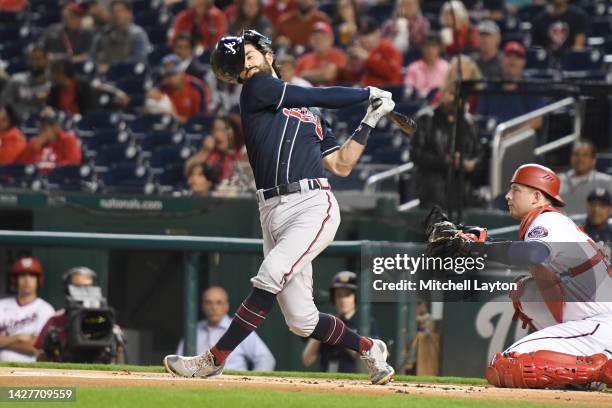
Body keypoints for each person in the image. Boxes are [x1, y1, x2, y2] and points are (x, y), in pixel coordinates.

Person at [164, 29, 397, 385]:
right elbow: (318, 94)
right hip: (270, 209)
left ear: (267, 53)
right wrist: (367, 93)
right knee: (301, 320)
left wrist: (370, 119)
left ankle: (214, 359)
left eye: (249, 52)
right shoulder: (258, 88)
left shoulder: (311, 116)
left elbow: (341, 165)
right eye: (241, 61)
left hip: (311, 204)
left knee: (270, 275)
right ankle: (369, 347)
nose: (246, 61)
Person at [427, 163, 612, 389]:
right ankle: (585, 378)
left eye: (516, 190)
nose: (507, 195)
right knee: (524, 292)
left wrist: (478, 247)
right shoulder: (551, 221)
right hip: (591, 322)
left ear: (536, 196)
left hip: (600, 324)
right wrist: (475, 241)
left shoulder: (548, 220)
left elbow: (534, 253)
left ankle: (601, 368)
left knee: (506, 366)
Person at [410, 83, 482, 209]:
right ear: (442, 94)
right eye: (451, 94)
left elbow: (479, 155)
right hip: (431, 193)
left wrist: (471, 164)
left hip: (462, 194)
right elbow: (415, 154)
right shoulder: (425, 119)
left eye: (459, 96)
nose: (454, 99)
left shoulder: (470, 123)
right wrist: (446, 160)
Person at [35, 266, 125, 363]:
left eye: (87, 287)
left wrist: (117, 346)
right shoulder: (55, 320)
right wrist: (49, 349)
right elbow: (40, 358)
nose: (83, 291)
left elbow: (118, 363)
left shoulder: (105, 318)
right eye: (77, 287)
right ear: (67, 289)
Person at [175, 287, 275, 371]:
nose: (213, 307)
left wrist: (252, 384)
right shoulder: (193, 330)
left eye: (218, 303)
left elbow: (265, 359)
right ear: (203, 306)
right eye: (209, 303)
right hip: (201, 386)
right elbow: (180, 362)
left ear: (226, 306)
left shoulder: (239, 328)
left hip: (233, 385)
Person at [302, 271, 379, 373]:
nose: (343, 300)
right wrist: (321, 327)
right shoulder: (329, 322)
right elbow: (307, 360)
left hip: (354, 380)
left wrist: (343, 334)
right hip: (326, 379)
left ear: (355, 297)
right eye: (339, 295)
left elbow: (371, 357)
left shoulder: (366, 323)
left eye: (347, 295)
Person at [476, 42, 547, 128]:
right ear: (502, 60)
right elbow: (479, 117)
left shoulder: (533, 87)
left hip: (521, 139)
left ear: (523, 62)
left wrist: (507, 135)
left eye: (518, 57)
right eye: (508, 56)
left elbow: (536, 121)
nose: (512, 61)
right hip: (492, 137)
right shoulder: (490, 87)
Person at [0, 257, 55, 362]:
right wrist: (18, 338)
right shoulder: (1, 305)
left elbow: (37, 348)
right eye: (22, 275)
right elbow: (31, 344)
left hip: (30, 372)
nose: (27, 280)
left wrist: (4, 343)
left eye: (32, 276)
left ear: (38, 280)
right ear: (15, 280)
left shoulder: (45, 309)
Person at [89, 0, 151, 74]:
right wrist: (96, 66)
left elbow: (139, 60)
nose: (117, 15)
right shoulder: (103, 33)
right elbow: (91, 56)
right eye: (114, 12)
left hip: (127, 76)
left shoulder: (138, 34)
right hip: (102, 76)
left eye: (121, 11)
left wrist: (112, 67)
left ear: (129, 13)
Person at [17, 107, 82, 172]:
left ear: (57, 127)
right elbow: (22, 165)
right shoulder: (34, 142)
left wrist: (51, 169)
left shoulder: (68, 140)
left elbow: (73, 163)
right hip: (36, 178)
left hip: (59, 178)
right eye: (42, 127)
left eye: (46, 127)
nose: (43, 131)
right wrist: (33, 148)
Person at [343, 17, 403, 87]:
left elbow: (393, 75)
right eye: (361, 35)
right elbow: (351, 80)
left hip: (384, 93)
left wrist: (368, 58)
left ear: (377, 33)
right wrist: (351, 62)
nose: (363, 39)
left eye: (368, 34)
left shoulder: (389, 49)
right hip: (363, 92)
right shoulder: (358, 51)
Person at [148, 54, 209, 123]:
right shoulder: (161, 89)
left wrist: (175, 117)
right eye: (166, 75)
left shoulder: (197, 87)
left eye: (172, 74)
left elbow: (201, 120)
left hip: (192, 130)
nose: (169, 79)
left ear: (181, 72)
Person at [185, 114, 242, 185]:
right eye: (215, 130)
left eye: (223, 130)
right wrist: (205, 151)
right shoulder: (212, 153)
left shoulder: (243, 153)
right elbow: (188, 171)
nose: (217, 135)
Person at [558, 140, 612, 215]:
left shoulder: (607, 181)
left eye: (585, 155)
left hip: (590, 226)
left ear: (593, 160)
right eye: (576, 154)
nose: (580, 159)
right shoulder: (558, 180)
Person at [0, 44, 51, 119]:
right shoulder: (16, 80)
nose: (35, 63)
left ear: (46, 60)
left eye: (39, 59)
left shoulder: (54, 83)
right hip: (17, 122)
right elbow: (2, 104)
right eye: (32, 59)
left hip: (45, 122)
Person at [295, 22, 347, 87]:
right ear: (310, 39)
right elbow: (296, 78)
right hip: (309, 95)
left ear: (331, 39)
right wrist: (321, 73)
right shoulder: (303, 59)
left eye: (323, 36)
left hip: (333, 94)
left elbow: (328, 75)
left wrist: (306, 74)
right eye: (315, 36)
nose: (318, 40)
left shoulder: (338, 55)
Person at [404, 32, 449, 100]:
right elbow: (407, 91)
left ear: (440, 48)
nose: (430, 50)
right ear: (422, 48)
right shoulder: (414, 67)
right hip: (417, 104)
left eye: (433, 46)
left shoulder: (446, 67)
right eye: (427, 46)